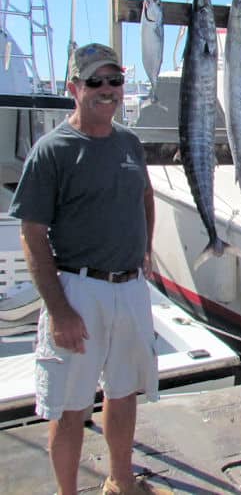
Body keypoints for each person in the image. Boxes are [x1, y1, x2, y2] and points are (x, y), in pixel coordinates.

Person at [9, 44, 172, 495]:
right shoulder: (52, 150)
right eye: (94, 82)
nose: (107, 90)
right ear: (73, 89)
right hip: (78, 290)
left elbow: (145, 197)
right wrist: (60, 311)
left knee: (123, 392)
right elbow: (32, 235)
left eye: (114, 81)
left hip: (130, 287)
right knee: (69, 406)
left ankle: (120, 481)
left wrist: (144, 250)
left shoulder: (129, 143)